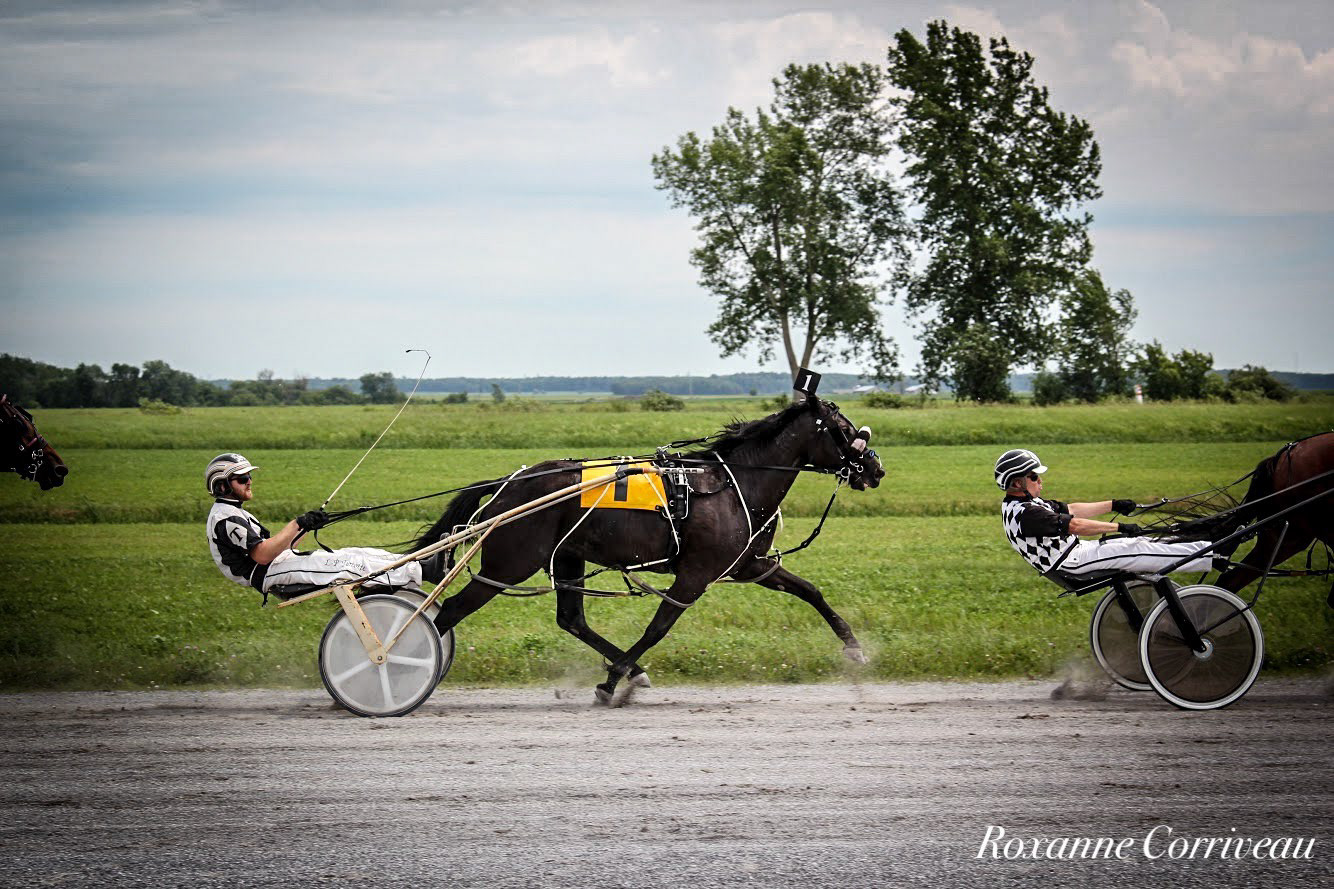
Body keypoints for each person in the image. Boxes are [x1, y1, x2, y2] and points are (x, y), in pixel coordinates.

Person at [205, 453, 445, 602]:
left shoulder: (236, 512)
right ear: (222, 486)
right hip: (267, 574)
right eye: (242, 479)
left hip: (280, 563)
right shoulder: (225, 519)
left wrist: (307, 527)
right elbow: (263, 555)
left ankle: (420, 565)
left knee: (357, 554)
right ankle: (423, 572)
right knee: (349, 566)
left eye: (249, 477)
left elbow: (279, 548)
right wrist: (296, 523)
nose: (249, 482)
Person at [995, 448, 1220, 581]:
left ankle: (1203, 548)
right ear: (1017, 482)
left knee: (1138, 543)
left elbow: (1071, 510)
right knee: (1136, 548)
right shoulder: (1026, 513)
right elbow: (1075, 526)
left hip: (1075, 554)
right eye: (1034, 476)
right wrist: (1120, 527)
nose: (1040, 481)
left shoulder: (1025, 503)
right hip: (1072, 562)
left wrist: (1114, 505)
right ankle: (1212, 555)